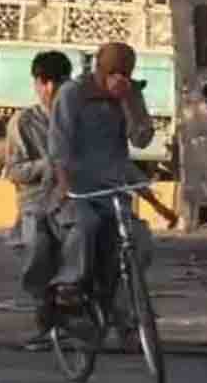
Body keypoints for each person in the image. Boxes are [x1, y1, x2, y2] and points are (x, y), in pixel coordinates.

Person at [47, 42, 178, 338]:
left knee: (137, 241)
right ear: (100, 70)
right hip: (77, 189)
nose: (120, 78)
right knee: (86, 225)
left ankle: (124, 312)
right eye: (114, 73)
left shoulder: (128, 95)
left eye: (126, 74)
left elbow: (140, 142)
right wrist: (66, 189)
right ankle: (69, 287)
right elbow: (59, 149)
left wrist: (131, 103)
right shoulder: (72, 95)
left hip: (112, 191)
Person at [4, 50, 74, 351]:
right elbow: (14, 171)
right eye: (45, 82)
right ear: (37, 84)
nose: (51, 90)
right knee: (39, 249)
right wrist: (47, 166)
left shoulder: (79, 117)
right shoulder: (23, 122)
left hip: (74, 197)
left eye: (57, 82)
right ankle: (46, 322)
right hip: (38, 200)